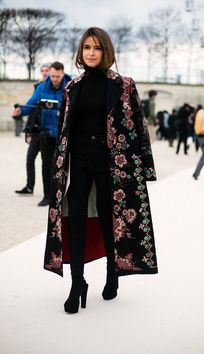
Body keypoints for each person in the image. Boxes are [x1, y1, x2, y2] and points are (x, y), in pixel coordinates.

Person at [43, 27, 158, 314]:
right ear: (80, 52)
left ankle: (112, 271)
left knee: (109, 218)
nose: (91, 53)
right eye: (86, 48)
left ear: (106, 51)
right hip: (80, 162)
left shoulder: (124, 85)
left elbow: (139, 128)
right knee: (77, 220)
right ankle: (77, 283)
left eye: (96, 48)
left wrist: (145, 166)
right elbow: (63, 130)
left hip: (112, 165)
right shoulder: (72, 88)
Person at [12, 62, 71, 206]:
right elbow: (30, 105)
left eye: (57, 76)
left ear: (63, 74)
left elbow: (76, 108)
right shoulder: (42, 87)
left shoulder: (70, 87)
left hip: (63, 135)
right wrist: (20, 111)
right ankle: (47, 196)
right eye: (52, 76)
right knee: (46, 166)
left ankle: (60, 197)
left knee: (60, 168)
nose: (55, 79)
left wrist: (64, 113)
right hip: (46, 134)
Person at [15, 63, 50, 196]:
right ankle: (29, 187)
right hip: (36, 129)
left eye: (47, 70)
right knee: (30, 158)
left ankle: (49, 191)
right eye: (43, 71)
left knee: (47, 163)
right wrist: (28, 129)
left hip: (49, 131)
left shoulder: (57, 88)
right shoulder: (39, 87)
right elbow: (32, 108)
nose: (45, 73)